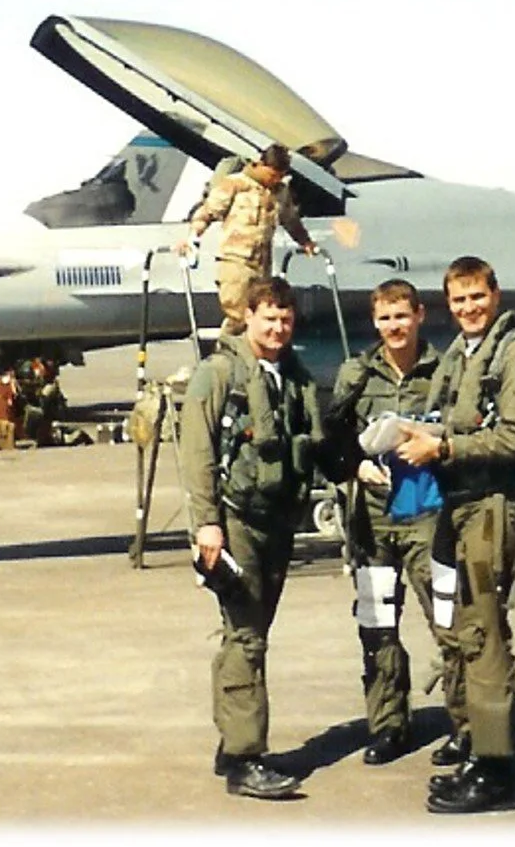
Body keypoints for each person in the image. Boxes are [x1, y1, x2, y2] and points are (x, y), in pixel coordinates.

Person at [395, 256, 515, 814]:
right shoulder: (464, 355)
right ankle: (479, 749)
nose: (469, 308)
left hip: (492, 506)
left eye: (477, 297)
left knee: (484, 632)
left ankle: (495, 770)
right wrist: (416, 433)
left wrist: (443, 447)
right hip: (459, 505)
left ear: (496, 294)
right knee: (464, 628)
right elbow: (457, 419)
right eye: (459, 300)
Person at [179, 275, 325, 800]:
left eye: (285, 319)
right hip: (235, 519)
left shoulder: (293, 377)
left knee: (249, 631)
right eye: (269, 318)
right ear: (249, 316)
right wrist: (207, 523)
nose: (278, 328)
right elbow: (196, 449)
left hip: (277, 523)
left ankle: (231, 742)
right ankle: (245, 758)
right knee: (246, 636)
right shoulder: (219, 373)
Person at [328, 279, 458, 767]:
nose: (394, 326)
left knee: (448, 619)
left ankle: (466, 727)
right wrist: (355, 466)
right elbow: (333, 436)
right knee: (377, 621)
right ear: (374, 321)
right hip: (374, 519)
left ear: (419, 315)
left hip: (428, 514)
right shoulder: (356, 374)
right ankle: (388, 725)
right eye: (385, 318)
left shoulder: (445, 370)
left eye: (402, 316)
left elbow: (462, 427)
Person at [175, 144, 319, 334]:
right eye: (272, 174)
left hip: (262, 265)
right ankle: (226, 351)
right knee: (239, 315)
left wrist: (306, 242)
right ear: (260, 165)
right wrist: (192, 237)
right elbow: (207, 213)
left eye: (280, 176)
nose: (275, 179)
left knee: (259, 315)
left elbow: (290, 220)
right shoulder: (235, 184)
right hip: (236, 262)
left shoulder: (280, 191)